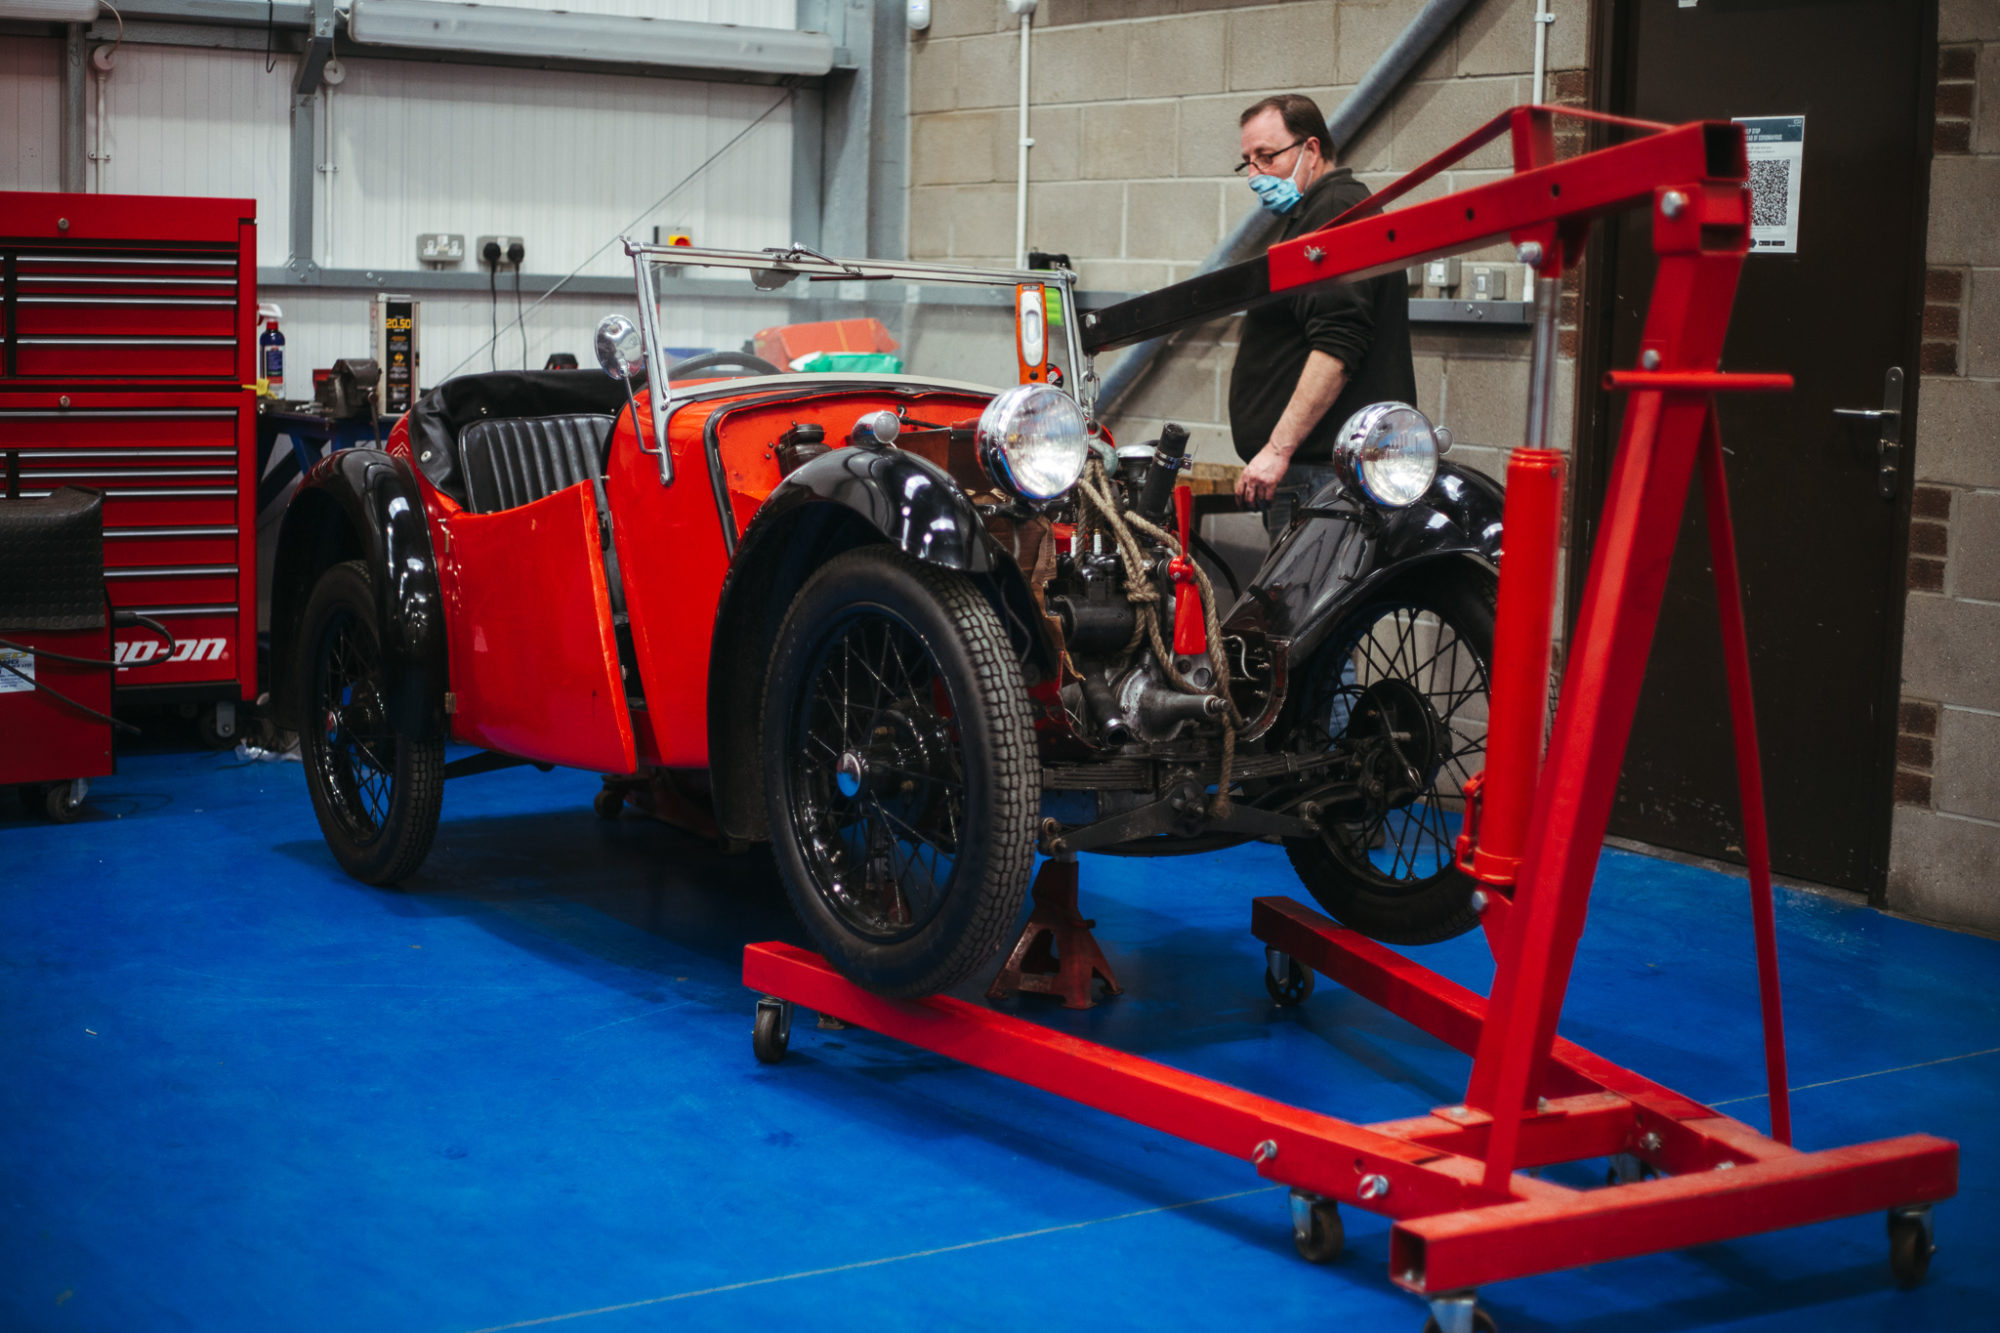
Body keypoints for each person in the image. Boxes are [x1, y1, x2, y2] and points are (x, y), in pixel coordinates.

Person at [1228, 94, 1416, 536]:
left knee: (1305, 603)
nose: (1255, 175)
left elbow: (1337, 344)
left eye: (1266, 157)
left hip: (1320, 475)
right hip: (1316, 471)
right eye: (1247, 162)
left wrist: (1277, 450)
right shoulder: (1316, 214)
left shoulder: (1333, 213)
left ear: (1311, 150)